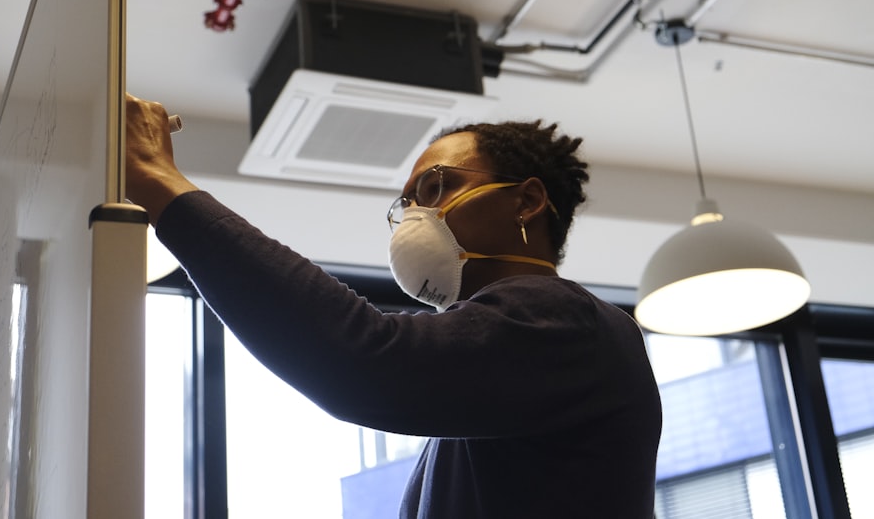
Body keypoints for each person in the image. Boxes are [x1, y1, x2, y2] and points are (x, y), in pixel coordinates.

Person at [126, 93, 662, 518]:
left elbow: (367, 361)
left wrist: (162, 185)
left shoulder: (565, 321)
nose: (414, 217)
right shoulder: (509, 363)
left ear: (526, 201)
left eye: (435, 187)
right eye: (405, 204)